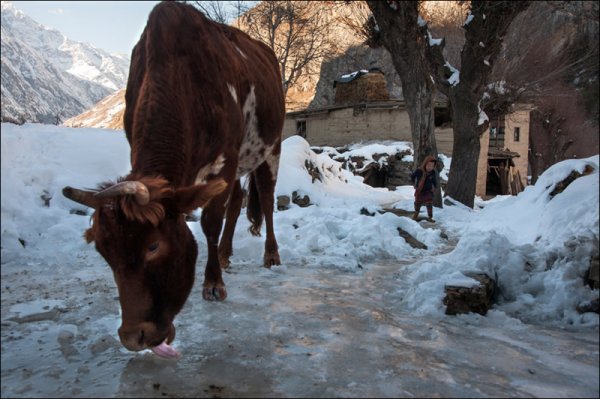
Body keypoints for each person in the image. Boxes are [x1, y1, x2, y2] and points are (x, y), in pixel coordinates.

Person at [410, 155, 438, 222]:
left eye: (432, 166)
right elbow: (412, 176)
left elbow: (434, 180)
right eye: (428, 165)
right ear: (425, 164)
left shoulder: (432, 172)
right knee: (417, 203)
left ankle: (430, 217)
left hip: (428, 191)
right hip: (419, 190)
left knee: (429, 203)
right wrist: (414, 183)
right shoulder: (419, 171)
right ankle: (416, 214)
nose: (430, 167)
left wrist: (435, 185)